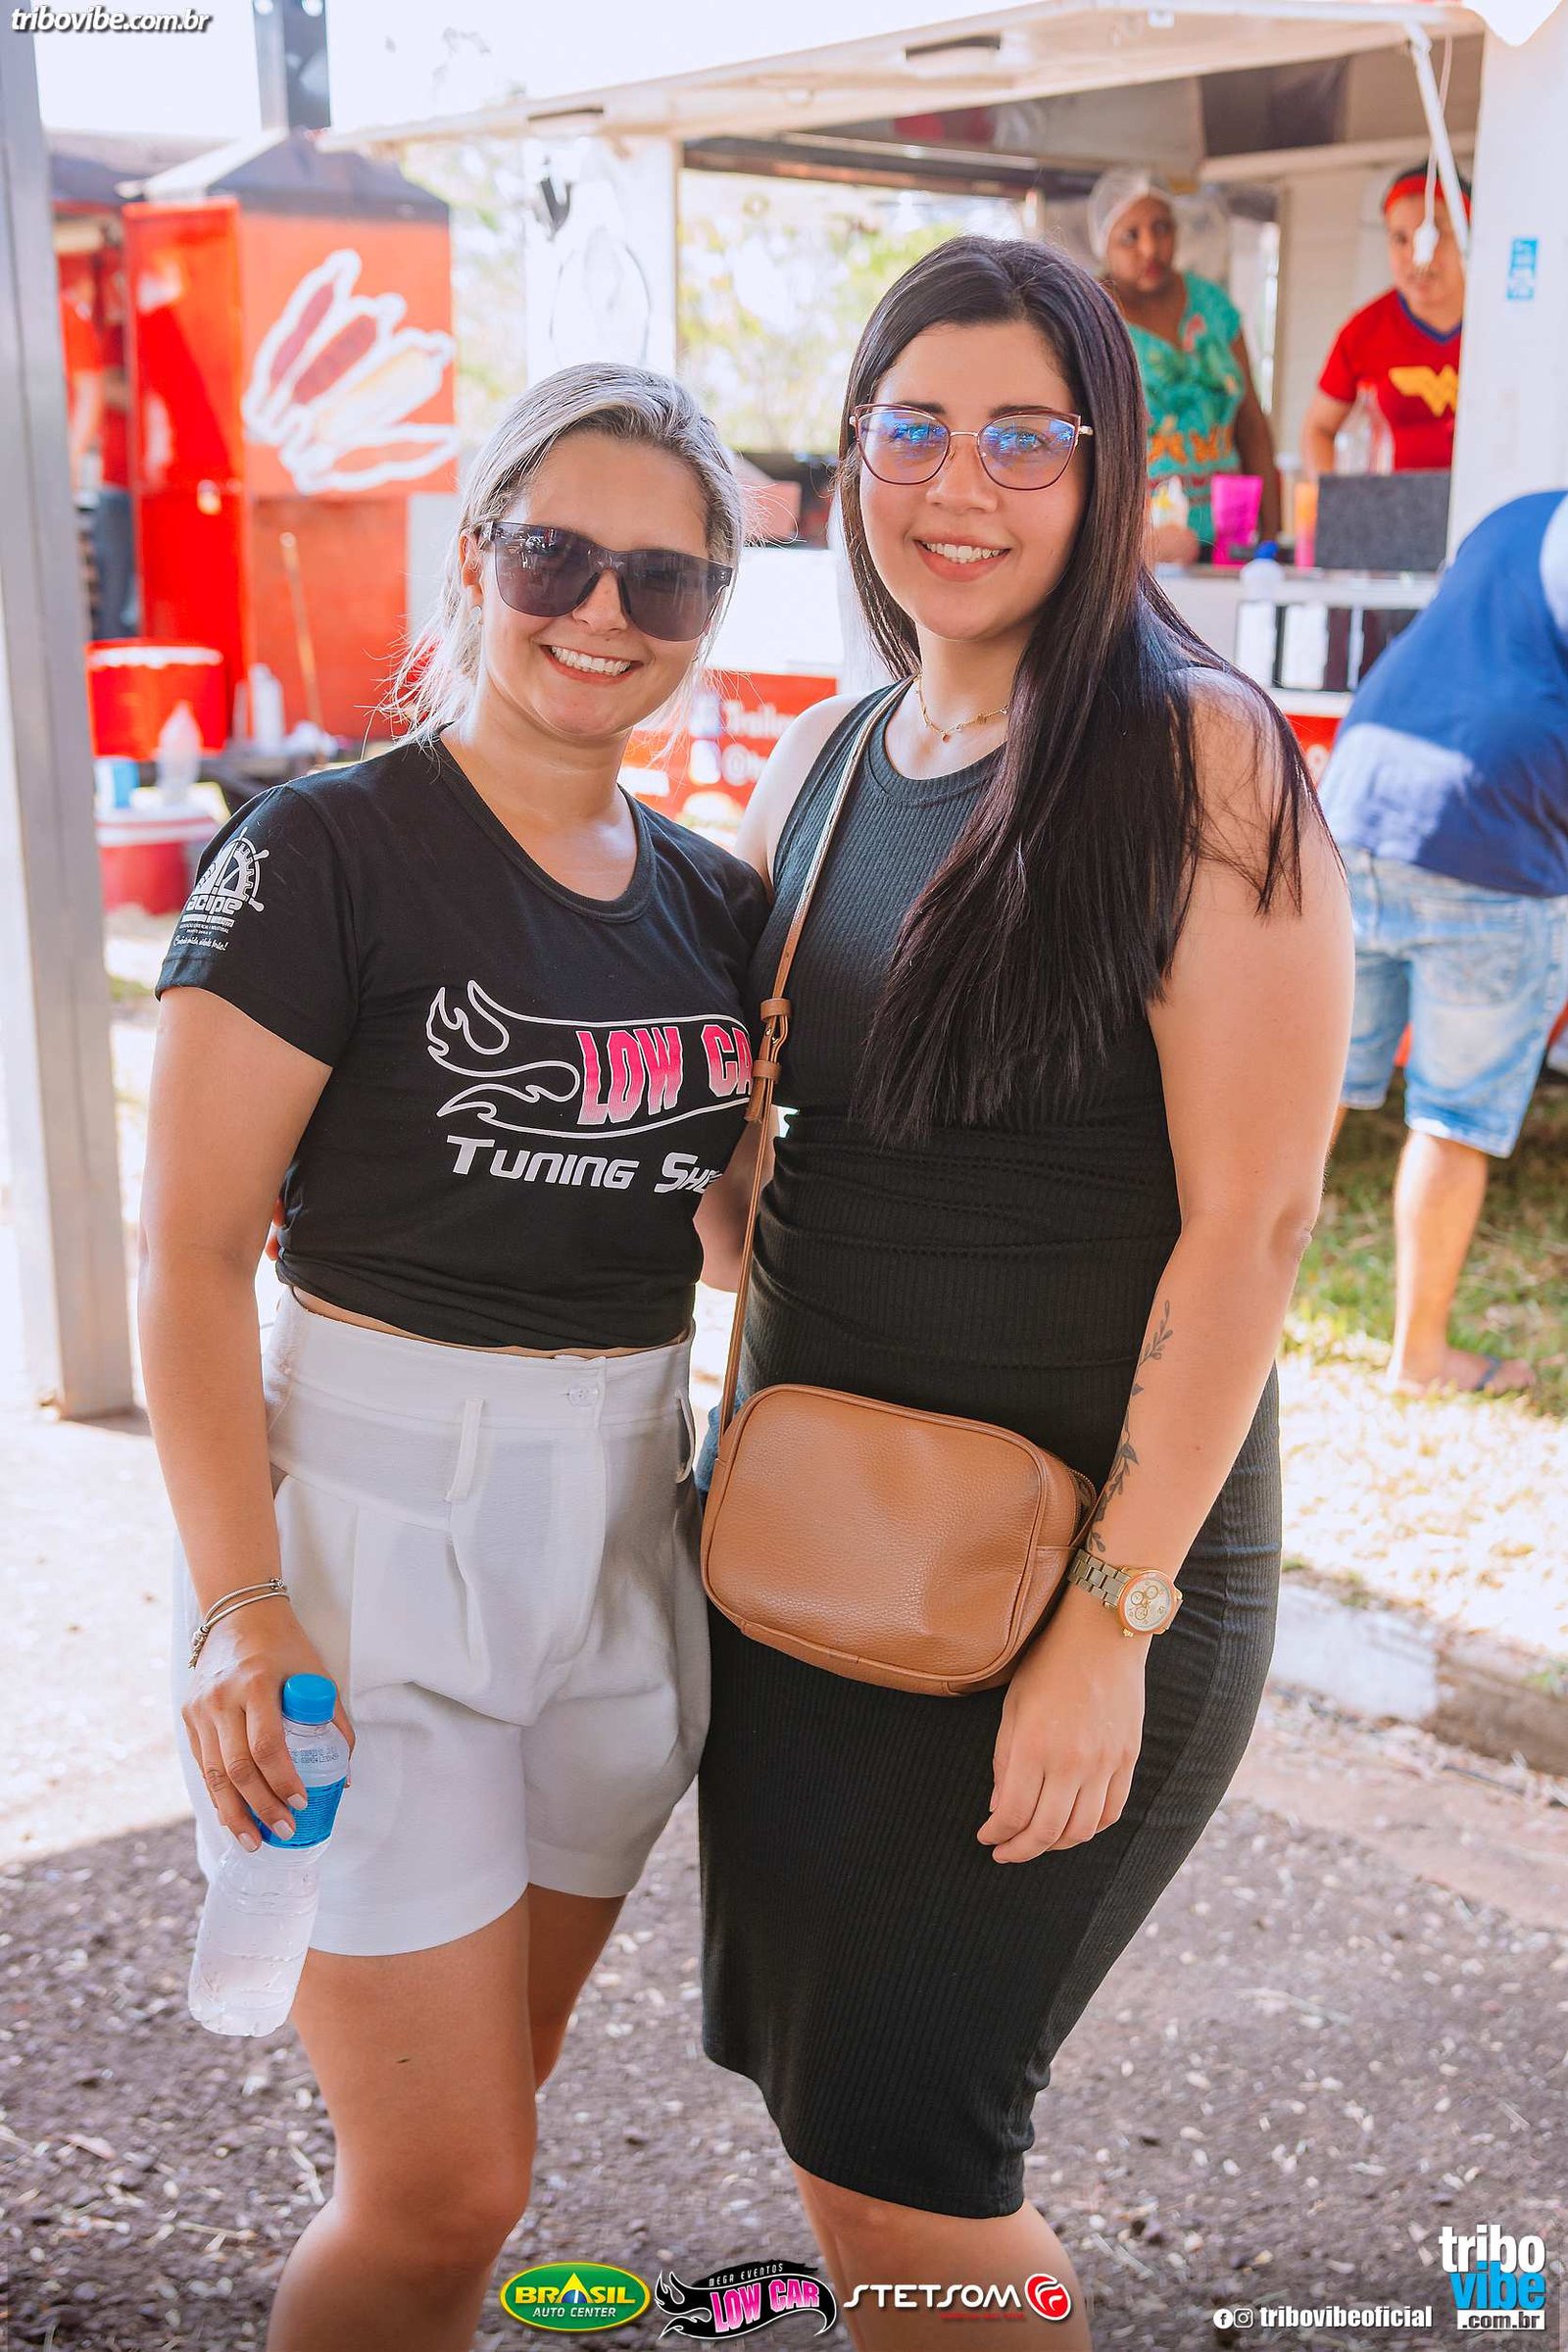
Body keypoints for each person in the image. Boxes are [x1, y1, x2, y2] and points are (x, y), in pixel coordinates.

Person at [694, 237, 1351, 2348]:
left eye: (1020, 440)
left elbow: (1252, 1225)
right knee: (831, 2117)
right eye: (910, 429)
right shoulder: (816, 768)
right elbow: (752, 1188)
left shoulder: (1195, 757)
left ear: (1107, 471)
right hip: (815, 1556)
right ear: (847, 458)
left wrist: (1109, 1621)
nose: (955, 485)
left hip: (1080, 1580)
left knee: (917, 2146)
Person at [140, 363, 768, 2350]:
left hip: (623, 1545)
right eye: (555, 555)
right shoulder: (326, 849)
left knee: (490, 2121)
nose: (602, 613)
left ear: (709, 614)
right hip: (370, 1543)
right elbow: (187, 1257)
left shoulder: (716, 901)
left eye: (663, 581)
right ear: (477, 555)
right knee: (445, 2190)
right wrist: (237, 1604)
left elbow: (733, 1237)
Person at [1323, 489, 1568, 1396]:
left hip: (1359, 803)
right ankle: (1421, 1358)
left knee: (1312, 1088)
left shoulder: (1518, 516)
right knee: (1452, 1118)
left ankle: (1227, 1313)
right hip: (1496, 832)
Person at [1089, 169, 1280, 562]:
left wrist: (1272, 535)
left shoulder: (1212, 305)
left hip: (1230, 536)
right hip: (1137, 548)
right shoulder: (1092, 318)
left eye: (1162, 228)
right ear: (1103, 243)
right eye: (1130, 236)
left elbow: (1251, 425)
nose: (1150, 248)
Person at [1301, 166, 1470, 479]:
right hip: (1391, 505)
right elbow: (1319, 428)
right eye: (1400, 239)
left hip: (1491, 507)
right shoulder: (1363, 331)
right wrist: (1334, 500)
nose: (1419, 257)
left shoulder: (1507, 324)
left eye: (1432, 236)